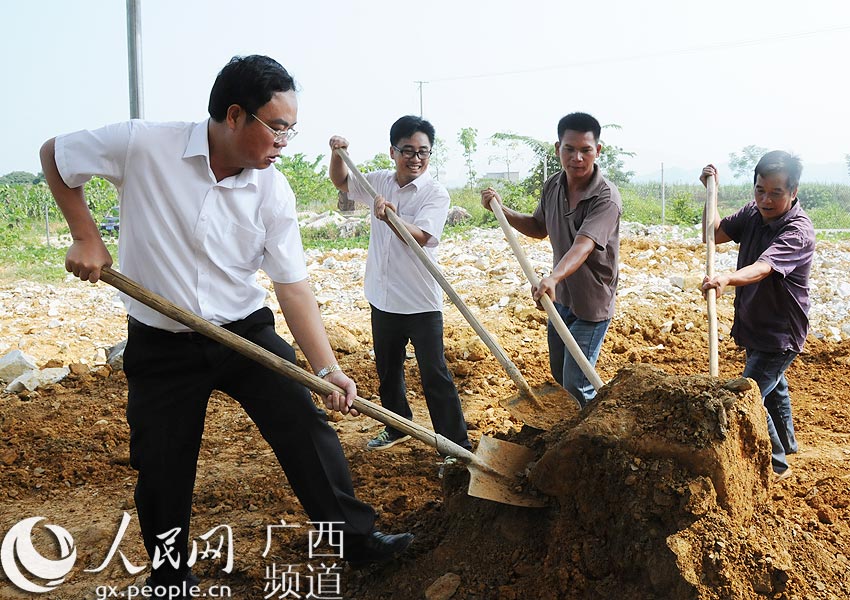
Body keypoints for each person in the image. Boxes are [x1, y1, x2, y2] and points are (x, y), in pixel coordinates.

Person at [39, 55, 412, 595]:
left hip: (243, 332)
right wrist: (85, 234)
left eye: (292, 128)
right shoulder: (145, 145)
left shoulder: (272, 190)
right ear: (235, 116)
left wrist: (326, 367)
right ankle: (171, 578)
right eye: (278, 127)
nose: (286, 141)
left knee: (306, 429)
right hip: (161, 343)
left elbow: (292, 286)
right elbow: (56, 153)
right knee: (162, 465)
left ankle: (357, 542)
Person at [327, 116, 472, 459]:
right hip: (383, 297)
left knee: (435, 373)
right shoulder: (378, 182)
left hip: (421, 302)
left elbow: (420, 238)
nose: (416, 158)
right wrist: (337, 153)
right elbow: (342, 181)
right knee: (388, 370)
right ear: (393, 151)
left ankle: (455, 446)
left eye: (423, 151)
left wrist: (391, 217)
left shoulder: (436, 193)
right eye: (408, 150)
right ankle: (397, 424)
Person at [480, 112, 621, 408]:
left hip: (591, 304)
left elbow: (583, 246)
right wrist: (502, 211)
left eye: (585, 150)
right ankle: (570, 429)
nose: (577, 158)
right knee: (560, 375)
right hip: (561, 299)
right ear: (558, 149)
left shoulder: (606, 198)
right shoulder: (554, 185)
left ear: (598, 150)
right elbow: (538, 227)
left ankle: (595, 434)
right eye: (569, 149)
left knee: (577, 383)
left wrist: (554, 277)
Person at [700, 152, 814, 479]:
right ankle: (788, 444)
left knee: (748, 394)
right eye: (759, 190)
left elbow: (763, 268)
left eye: (775, 193)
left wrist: (726, 278)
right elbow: (715, 233)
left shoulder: (798, 231)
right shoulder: (753, 213)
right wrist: (713, 192)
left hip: (780, 333)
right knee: (772, 387)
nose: (765, 199)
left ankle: (776, 463)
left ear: (793, 192)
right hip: (753, 322)